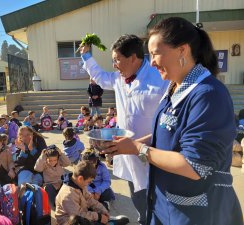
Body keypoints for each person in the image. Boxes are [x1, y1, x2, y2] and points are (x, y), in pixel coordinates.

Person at [103, 17, 243, 225]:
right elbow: (169, 131)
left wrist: (138, 149)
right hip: (166, 205)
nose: (151, 63)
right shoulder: (175, 88)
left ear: (182, 50)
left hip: (197, 212)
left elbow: (196, 166)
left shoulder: (207, 95)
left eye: (155, 54)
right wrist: (125, 146)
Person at [80, 34, 168, 224]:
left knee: (158, 202)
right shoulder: (120, 79)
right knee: (137, 196)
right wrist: (87, 56)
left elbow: (171, 122)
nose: (114, 65)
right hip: (127, 154)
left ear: (133, 58)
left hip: (155, 153)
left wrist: (142, 143)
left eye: (117, 60)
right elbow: (101, 77)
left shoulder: (161, 78)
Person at [55, 161, 129, 225]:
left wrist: (102, 211)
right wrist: (99, 217)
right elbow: (78, 216)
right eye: (89, 182)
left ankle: (107, 220)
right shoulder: (68, 195)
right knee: (95, 219)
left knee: (102, 207)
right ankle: (109, 223)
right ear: (80, 178)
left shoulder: (79, 183)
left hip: (82, 211)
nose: (89, 184)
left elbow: (90, 199)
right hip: (71, 221)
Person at [34, 144, 71, 209]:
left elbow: (68, 163)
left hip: (61, 183)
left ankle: (67, 203)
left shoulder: (59, 162)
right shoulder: (44, 164)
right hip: (50, 184)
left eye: (54, 160)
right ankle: (55, 206)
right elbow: (37, 168)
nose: (52, 162)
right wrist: (42, 156)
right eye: (50, 160)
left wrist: (61, 153)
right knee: (47, 189)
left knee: (70, 184)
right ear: (46, 159)